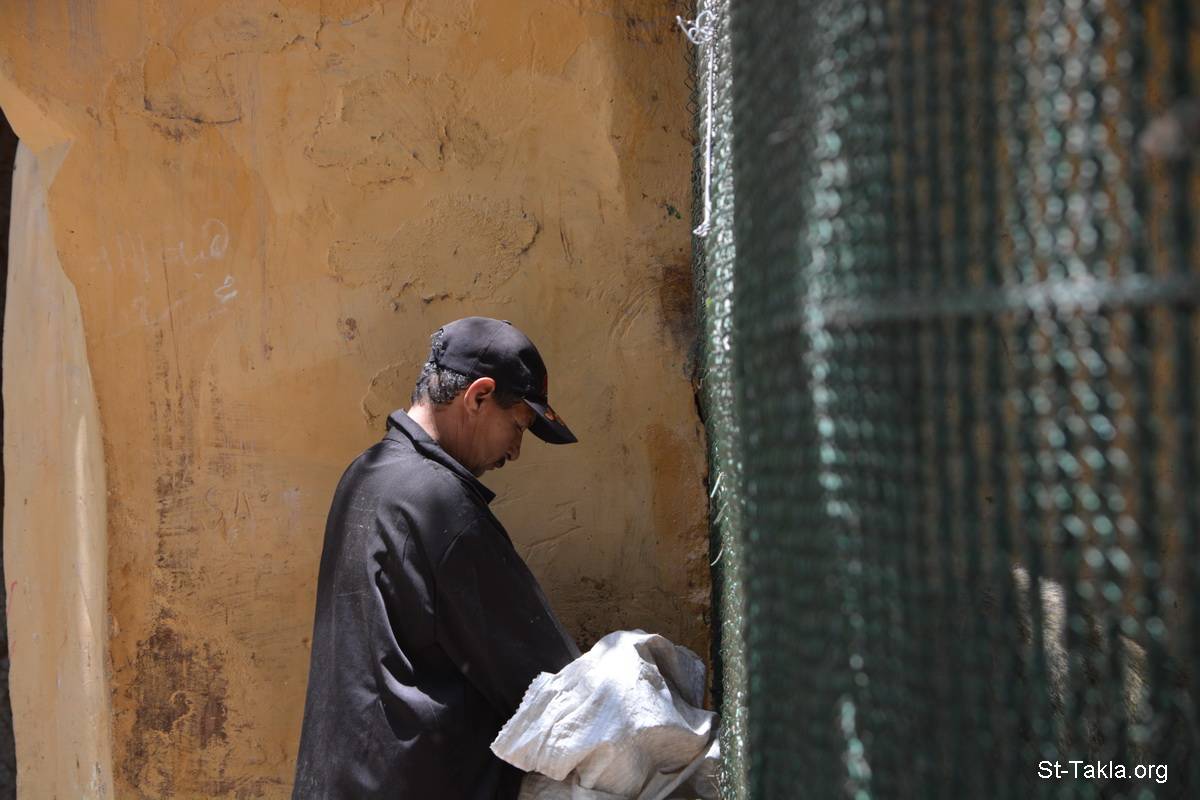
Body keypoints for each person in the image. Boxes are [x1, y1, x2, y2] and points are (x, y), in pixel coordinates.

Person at [292, 317, 582, 799]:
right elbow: (550, 687)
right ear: (479, 397)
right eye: (518, 426)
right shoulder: (441, 503)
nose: (515, 451)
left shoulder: (366, 476)